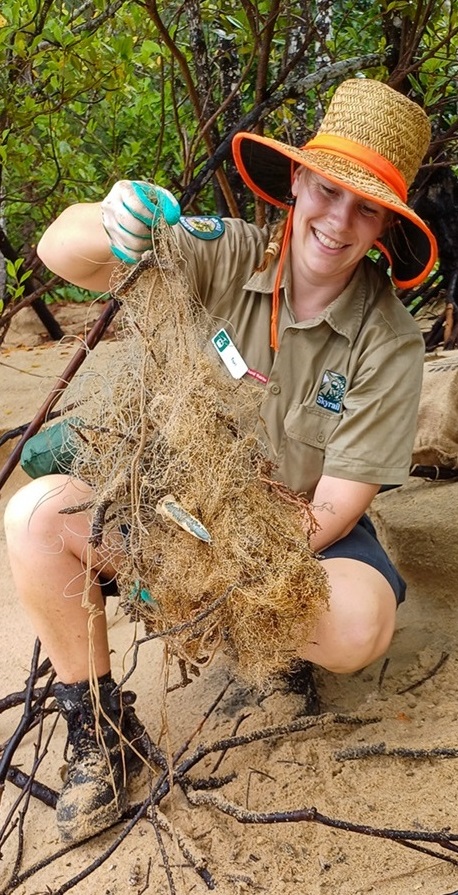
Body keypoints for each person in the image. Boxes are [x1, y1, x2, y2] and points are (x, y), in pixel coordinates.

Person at [4, 78, 437, 843]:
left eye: (365, 206)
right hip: (170, 504)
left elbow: (333, 510)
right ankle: (101, 732)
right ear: (297, 180)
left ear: (384, 227)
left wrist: (209, 572)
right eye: (329, 189)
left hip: (285, 534)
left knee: (360, 623)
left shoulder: (390, 339)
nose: (338, 220)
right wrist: (112, 217)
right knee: (34, 515)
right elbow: (57, 251)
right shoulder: (225, 250)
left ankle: (269, 646)